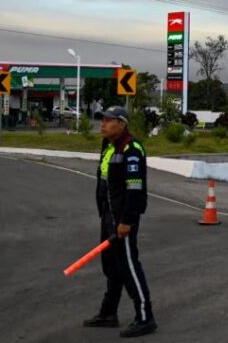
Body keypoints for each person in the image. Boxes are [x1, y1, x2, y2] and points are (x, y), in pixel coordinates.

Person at [83, 106, 158, 338]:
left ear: (122, 124)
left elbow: (135, 189)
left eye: (108, 121)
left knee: (128, 266)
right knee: (112, 267)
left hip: (123, 219)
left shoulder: (131, 149)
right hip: (108, 217)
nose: (103, 124)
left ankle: (146, 317)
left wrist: (127, 220)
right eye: (102, 120)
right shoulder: (109, 146)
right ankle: (108, 313)